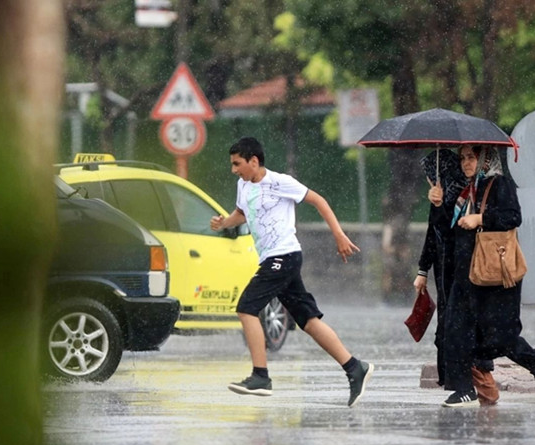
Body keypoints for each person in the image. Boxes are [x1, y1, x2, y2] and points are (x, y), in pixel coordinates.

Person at [210, 136, 374, 408]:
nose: (234, 170)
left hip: (284, 256)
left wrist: (339, 235)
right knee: (308, 320)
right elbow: (242, 212)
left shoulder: (280, 182)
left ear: (254, 161)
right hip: (275, 259)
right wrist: (225, 221)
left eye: (237, 164)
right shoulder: (243, 185)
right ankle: (355, 367)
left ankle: (260, 377)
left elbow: (319, 201)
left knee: (246, 308)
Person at [436, 144, 535, 408]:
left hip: (495, 275)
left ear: (484, 159)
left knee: (500, 337)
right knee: (454, 332)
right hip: (465, 274)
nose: (466, 163)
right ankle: (464, 389)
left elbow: (513, 217)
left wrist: (481, 218)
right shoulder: (464, 192)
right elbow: (448, 230)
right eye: (463, 158)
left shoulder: (499, 185)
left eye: (472, 158)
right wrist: (438, 204)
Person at [414, 148, 500, 406]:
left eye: (433, 174)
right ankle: (460, 385)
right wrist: (422, 270)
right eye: (462, 159)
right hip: (448, 272)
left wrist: (473, 217)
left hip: (472, 269)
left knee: (470, 329)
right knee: (449, 329)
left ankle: (483, 383)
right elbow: (435, 232)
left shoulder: (473, 191)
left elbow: (500, 220)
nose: (431, 179)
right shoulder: (444, 195)